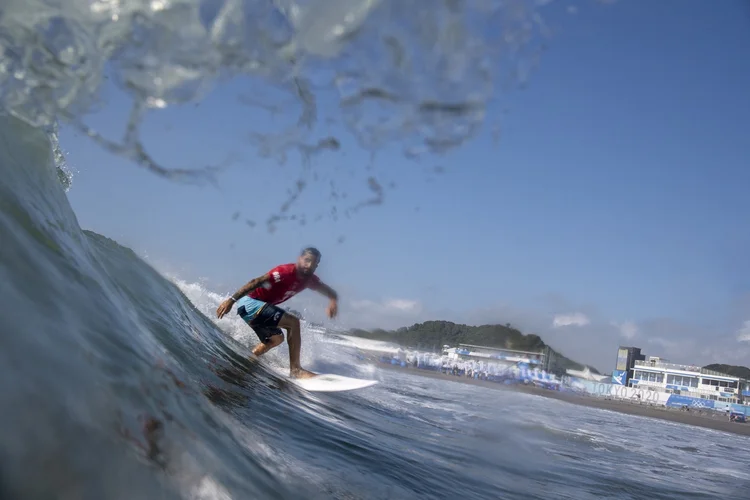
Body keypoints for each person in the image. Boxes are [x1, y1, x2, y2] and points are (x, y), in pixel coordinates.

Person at [215, 247, 338, 379]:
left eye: (314, 263)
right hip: (249, 303)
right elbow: (256, 282)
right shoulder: (284, 272)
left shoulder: (310, 280)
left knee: (276, 339)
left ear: (317, 265)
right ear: (299, 259)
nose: (309, 265)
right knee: (293, 322)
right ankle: (296, 370)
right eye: (307, 260)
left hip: (255, 309)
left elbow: (330, 292)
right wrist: (231, 300)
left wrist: (333, 301)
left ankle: (247, 361)